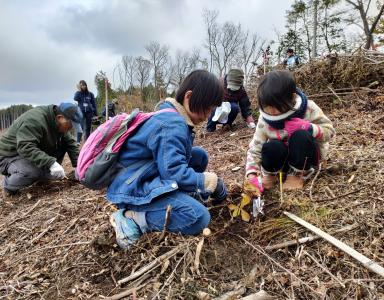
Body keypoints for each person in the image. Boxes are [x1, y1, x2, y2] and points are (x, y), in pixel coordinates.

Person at [106, 70, 228, 249]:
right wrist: (210, 182)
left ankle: (180, 198)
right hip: (133, 189)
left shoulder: (171, 115)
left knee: (199, 156)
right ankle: (132, 217)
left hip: (142, 176)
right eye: (208, 107)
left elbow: (174, 162)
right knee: (198, 217)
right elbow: (174, 173)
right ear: (189, 97)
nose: (209, 114)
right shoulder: (171, 124)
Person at [245, 70, 335, 191]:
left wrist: (309, 127)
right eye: (267, 108)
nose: (271, 112)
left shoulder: (308, 108)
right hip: (283, 160)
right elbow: (256, 148)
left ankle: (298, 174)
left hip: (306, 157)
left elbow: (330, 132)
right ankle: (272, 174)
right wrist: (252, 173)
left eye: (275, 108)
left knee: (301, 136)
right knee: (271, 146)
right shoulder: (265, 119)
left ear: (292, 97)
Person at [0, 103, 83, 198]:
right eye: (70, 125)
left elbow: (70, 143)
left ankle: (42, 174)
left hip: (27, 153)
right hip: (9, 155)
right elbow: (25, 147)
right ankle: (8, 185)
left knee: (48, 174)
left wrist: (78, 166)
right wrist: (51, 163)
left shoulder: (58, 122)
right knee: (31, 172)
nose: (71, 128)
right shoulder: (35, 121)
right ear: (60, 117)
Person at [74, 80, 97, 144]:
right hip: (81, 112)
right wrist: (79, 90)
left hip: (89, 112)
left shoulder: (90, 94)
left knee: (88, 127)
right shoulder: (78, 93)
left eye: (84, 85)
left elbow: (94, 104)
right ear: (80, 86)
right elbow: (75, 98)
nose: (83, 86)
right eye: (81, 85)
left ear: (86, 86)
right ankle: (78, 141)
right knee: (80, 126)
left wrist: (96, 114)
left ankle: (87, 141)